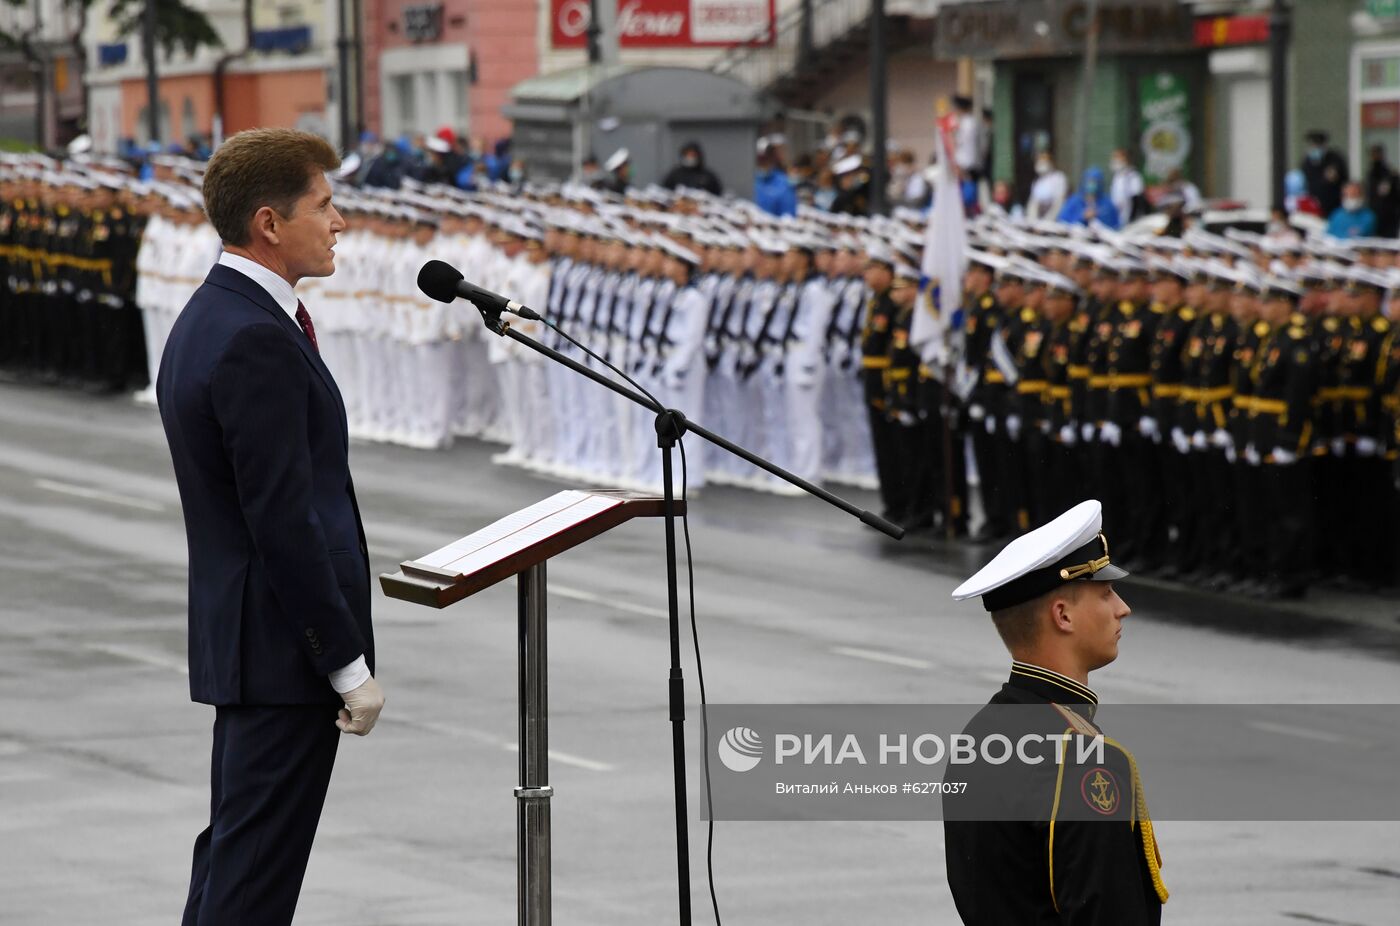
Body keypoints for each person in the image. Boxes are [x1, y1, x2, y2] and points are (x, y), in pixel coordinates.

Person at [156, 128, 384, 925]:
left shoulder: (216, 314)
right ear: (269, 223)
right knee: (251, 887)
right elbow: (284, 524)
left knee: (233, 866)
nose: (340, 222)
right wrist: (346, 666)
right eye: (324, 205)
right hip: (283, 661)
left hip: (254, 653)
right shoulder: (255, 336)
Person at [944, 499, 1167, 925]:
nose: (1123, 607)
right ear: (1062, 615)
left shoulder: (980, 734)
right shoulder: (1085, 761)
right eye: (1105, 593)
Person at [1301, 130, 1349, 218]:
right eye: (1312, 145)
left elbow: (1334, 178)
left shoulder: (1334, 159)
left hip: (1333, 202)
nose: (1314, 148)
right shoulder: (1307, 161)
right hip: (1313, 203)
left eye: (1316, 145)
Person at [1366, 144, 1400, 238]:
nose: (1374, 157)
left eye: (1376, 154)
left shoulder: (1389, 174)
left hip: (1389, 216)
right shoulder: (1371, 172)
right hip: (1374, 214)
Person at [1108, 149, 1147, 224]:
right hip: (1116, 217)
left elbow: (1137, 199)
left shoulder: (1133, 176)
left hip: (1128, 217)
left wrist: (1132, 220)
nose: (1115, 160)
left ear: (1126, 159)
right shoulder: (1117, 176)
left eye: (1118, 157)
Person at [1025, 152, 1068, 221]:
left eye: (1044, 161)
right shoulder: (1037, 181)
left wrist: (1049, 219)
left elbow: (1060, 200)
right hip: (1039, 213)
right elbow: (1034, 201)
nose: (1041, 163)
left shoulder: (1059, 177)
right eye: (1040, 161)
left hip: (1054, 212)